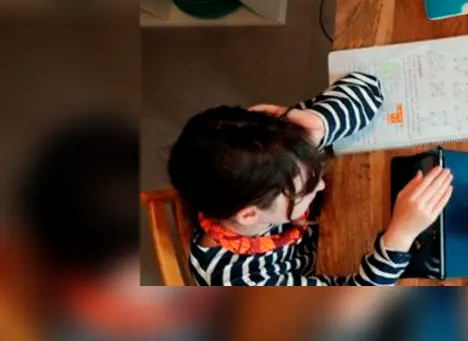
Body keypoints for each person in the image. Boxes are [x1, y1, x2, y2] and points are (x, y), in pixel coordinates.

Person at [168, 72, 453, 286]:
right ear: (250, 214)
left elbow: (367, 86)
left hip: (326, 234)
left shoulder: (273, 152)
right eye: (306, 188)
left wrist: (320, 122)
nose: (321, 184)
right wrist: (400, 236)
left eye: (314, 169)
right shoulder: (241, 280)